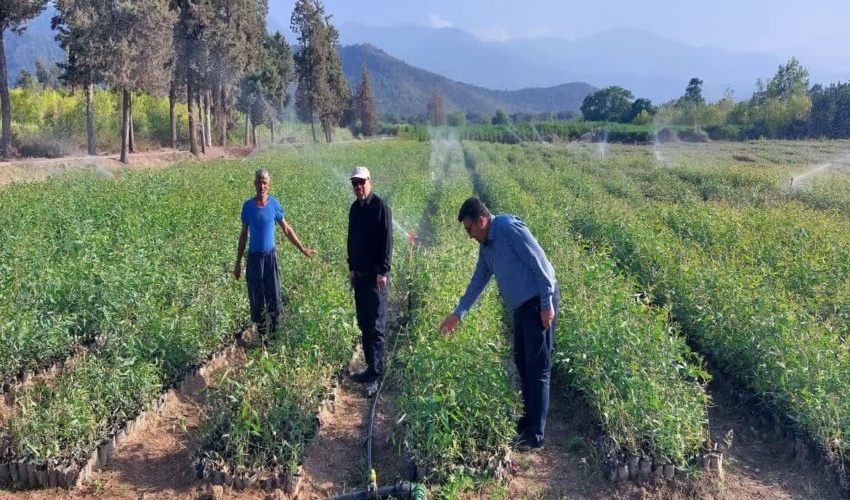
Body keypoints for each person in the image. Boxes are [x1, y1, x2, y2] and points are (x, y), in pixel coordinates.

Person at [440, 196, 559, 451]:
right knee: (522, 362)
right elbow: (478, 281)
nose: (469, 235)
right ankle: (528, 421)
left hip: (539, 302)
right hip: (522, 306)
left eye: (469, 229)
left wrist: (547, 305)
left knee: (538, 368)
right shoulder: (486, 247)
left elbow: (541, 266)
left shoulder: (508, 228)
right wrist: (458, 313)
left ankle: (536, 435)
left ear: (482, 220)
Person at [234, 168, 316, 340]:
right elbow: (243, 235)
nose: (261, 186)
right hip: (254, 259)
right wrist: (238, 263)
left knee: (274, 294)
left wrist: (302, 248)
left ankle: (275, 335)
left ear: (268, 185)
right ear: (254, 184)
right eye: (259, 182)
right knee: (256, 296)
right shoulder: (248, 207)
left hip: (270, 258)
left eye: (265, 182)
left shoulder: (274, 205)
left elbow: (286, 229)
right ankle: (263, 336)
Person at [347, 166, 392, 397]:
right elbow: (350, 239)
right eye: (355, 183)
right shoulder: (355, 209)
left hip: (376, 278)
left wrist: (383, 271)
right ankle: (369, 367)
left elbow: (387, 241)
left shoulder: (380, 208)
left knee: (376, 325)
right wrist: (352, 268)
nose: (358, 187)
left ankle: (376, 373)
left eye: (362, 182)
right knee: (364, 323)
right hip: (360, 275)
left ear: (369, 182)